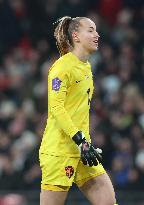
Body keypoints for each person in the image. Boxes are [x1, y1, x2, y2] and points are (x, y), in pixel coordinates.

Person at [39, 16, 118, 205]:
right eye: (90, 30)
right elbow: (56, 108)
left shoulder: (86, 67)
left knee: (108, 202)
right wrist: (80, 139)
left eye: (96, 30)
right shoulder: (61, 68)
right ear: (76, 36)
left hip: (83, 149)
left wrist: (84, 142)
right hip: (60, 151)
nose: (96, 35)